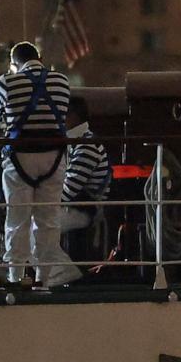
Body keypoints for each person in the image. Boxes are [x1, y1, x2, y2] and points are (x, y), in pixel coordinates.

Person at [0, 41, 72, 285]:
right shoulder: (61, 81)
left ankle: (16, 275)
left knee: (17, 219)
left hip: (19, 157)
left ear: (15, 63)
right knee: (48, 220)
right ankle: (43, 277)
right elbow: (63, 112)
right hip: (54, 156)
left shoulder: (7, 82)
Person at [43, 96, 111, 287]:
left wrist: (42, 202)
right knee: (38, 223)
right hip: (76, 206)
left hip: (84, 209)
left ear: (71, 116)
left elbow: (69, 191)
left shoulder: (86, 145)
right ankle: (56, 273)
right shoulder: (77, 141)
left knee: (39, 227)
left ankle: (64, 273)